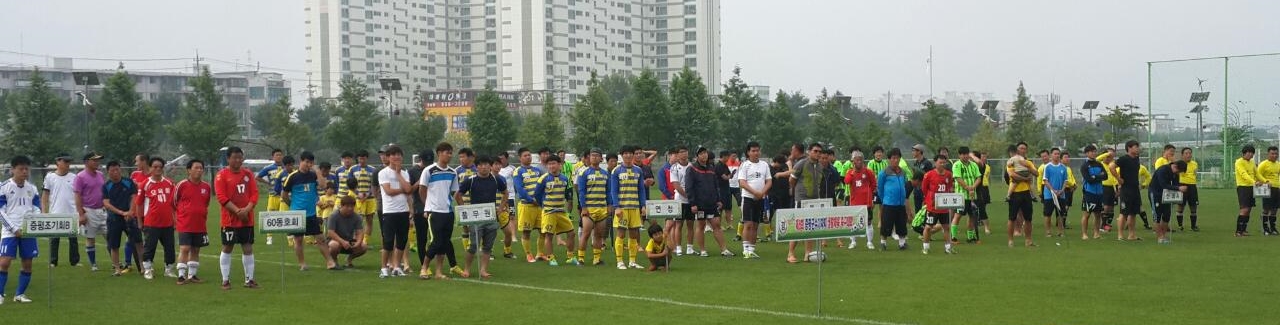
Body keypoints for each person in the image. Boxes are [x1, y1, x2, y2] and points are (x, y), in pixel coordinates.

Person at [216, 147, 260, 290]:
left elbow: (254, 194)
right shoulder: (221, 175)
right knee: (228, 247)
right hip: (229, 219)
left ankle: (249, 279)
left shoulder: (248, 174)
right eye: (235, 157)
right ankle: (225, 280)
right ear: (228, 159)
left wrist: (246, 210)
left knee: (247, 246)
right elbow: (221, 197)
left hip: (247, 218)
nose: (238, 160)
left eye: (240, 157)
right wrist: (237, 211)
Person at [455, 155, 506, 278]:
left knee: (488, 246)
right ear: (477, 167)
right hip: (476, 218)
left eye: (486, 164)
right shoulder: (471, 180)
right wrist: (465, 209)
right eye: (481, 165)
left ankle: (483, 270)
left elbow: (505, 193)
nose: (484, 167)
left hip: (491, 217)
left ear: (490, 166)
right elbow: (458, 194)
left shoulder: (495, 179)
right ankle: (466, 269)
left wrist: (500, 208)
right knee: (473, 245)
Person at [0, 156, 40, 303]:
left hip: (28, 231)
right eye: (21, 169)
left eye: (26, 169)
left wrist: (33, 224)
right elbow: (1, 211)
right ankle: (0, 294)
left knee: (28, 263)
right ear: (13, 170)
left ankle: (19, 294)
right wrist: (14, 228)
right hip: (10, 230)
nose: (24, 172)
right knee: (4, 262)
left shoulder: (32, 188)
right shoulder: (4, 187)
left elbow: (36, 208)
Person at [418, 143, 460, 279]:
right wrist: (427, 207)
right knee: (436, 241)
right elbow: (422, 190)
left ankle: (439, 272)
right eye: (447, 152)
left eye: (450, 152)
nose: (449, 155)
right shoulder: (429, 170)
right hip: (434, 212)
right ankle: (424, 268)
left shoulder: (452, 172)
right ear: (439, 153)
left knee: (444, 242)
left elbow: (454, 192)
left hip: (448, 212)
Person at [282, 152, 327, 271]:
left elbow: (323, 186)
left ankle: (330, 262)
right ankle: (302, 263)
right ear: (301, 161)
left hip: (311, 213)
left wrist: (317, 171)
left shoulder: (313, 175)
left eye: (310, 162)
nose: (308, 164)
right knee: (298, 240)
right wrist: (292, 205)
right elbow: (284, 195)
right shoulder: (293, 176)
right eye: (306, 162)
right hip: (297, 213)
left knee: (320, 238)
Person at [686, 148, 732, 257]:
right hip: (700, 203)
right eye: (701, 154)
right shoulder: (692, 169)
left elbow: (716, 185)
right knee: (701, 225)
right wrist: (693, 203)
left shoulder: (711, 168)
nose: (704, 155)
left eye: (705, 153)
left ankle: (724, 249)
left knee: (716, 224)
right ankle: (702, 250)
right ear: (697, 156)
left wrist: (719, 199)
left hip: (712, 203)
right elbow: (689, 187)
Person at [135, 157, 176, 280]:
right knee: (149, 247)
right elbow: (139, 204)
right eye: (155, 167)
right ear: (150, 168)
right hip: (151, 223)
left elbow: (174, 203)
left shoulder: (169, 183)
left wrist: (175, 219)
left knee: (169, 247)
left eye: (160, 167)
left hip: (167, 223)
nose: (158, 169)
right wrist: (139, 221)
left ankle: (169, 269)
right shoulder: (145, 184)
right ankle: (148, 269)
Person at [534, 155, 578, 266]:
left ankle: (570, 256)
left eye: (554, 163)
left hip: (561, 211)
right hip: (549, 212)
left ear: (559, 165)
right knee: (549, 235)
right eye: (549, 164)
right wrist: (543, 205)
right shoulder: (543, 178)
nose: (551, 166)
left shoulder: (564, 178)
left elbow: (567, 193)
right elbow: (537, 194)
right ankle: (551, 258)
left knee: (572, 233)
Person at [173, 159, 211, 284]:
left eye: (201, 168)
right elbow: (173, 203)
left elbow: (206, 203)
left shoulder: (206, 187)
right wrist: (178, 218)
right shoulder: (182, 185)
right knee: (184, 248)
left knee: (196, 249)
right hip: (185, 223)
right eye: (196, 168)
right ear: (189, 170)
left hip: (200, 224)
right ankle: (181, 275)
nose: (199, 170)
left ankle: (192, 275)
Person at [102, 161, 142, 276]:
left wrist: (130, 211)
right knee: (114, 245)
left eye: (117, 169)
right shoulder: (106, 186)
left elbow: (134, 197)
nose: (116, 172)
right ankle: (117, 269)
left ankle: (143, 267)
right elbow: (106, 203)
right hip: (114, 219)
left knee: (138, 242)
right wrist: (121, 212)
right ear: (108, 172)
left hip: (129, 217)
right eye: (113, 170)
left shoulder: (128, 182)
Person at [610, 146, 648, 270]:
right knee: (620, 233)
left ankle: (632, 261)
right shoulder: (616, 171)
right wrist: (617, 207)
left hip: (634, 207)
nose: (628, 156)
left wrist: (643, 205)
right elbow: (614, 191)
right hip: (622, 208)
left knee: (633, 234)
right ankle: (619, 261)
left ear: (633, 155)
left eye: (630, 153)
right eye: (625, 153)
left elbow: (641, 189)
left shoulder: (638, 170)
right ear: (622, 155)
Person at [787, 143, 825, 263]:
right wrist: (797, 193)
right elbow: (791, 180)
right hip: (801, 200)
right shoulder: (801, 163)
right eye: (815, 151)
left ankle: (808, 253)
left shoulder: (820, 166)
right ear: (809, 151)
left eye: (820, 151)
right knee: (798, 226)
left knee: (811, 227)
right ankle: (790, 253)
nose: (818, 153)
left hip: (815, 201)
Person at [43, 154, 81, 269]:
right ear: (58, 162)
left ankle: (74, 261)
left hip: (71, 212)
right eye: (65, 162)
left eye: (69, 162)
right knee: (54, 239)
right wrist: (44, 211)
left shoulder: (74, 177)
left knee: (73, 239)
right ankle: (53, 261)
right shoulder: (50, 177)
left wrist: (80, 211)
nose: (68, 164)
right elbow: (45, 195)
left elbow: (78, 195)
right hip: (55, 211)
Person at [74, 152, 110, 271]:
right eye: (94, 160)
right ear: (87, 162)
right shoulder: (80, 177)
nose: (97, 162)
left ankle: (115, 262)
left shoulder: (100, 174)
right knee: (90, 238)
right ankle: (93, 264)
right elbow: (77, 196)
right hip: (89, 210)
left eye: (98, 160)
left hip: (102, 210)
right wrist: (81, 214)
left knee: (110, 236)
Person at [736, 142, 772, 259]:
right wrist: (755, 192)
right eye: (753, 151)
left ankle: (752, 249)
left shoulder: (764, 165)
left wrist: (761, 193)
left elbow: (769, 181)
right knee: (748, 223)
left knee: (756, 224)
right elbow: (742, 182)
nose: (756, 153)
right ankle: (745, 249)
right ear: (748, 152)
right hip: (748, 198)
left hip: (760, 198)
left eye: (757, 150)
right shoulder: (745, 165)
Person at [576, 149, 611, 265]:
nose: (594, 157)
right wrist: (584, 207)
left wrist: (609, 205)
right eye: (592, 156)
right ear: (589, 158)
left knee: (599, 235)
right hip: (589, 209)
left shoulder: (605, 174)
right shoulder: (583, 173)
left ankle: (597, 259)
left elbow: (608, 191)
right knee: (585, 234)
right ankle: (580, 259)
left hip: (601, 208)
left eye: (597, 156)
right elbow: (581, 191)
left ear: (601, 159)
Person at [513, 148, 546, 262]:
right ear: (520, 158)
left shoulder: (537, 170)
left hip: (538, 206)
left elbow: (542, 186)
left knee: (543, 230)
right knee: (526, 231)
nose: (528, 157)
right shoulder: (518, 171)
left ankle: (540, 253)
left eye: (529, 155)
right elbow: (520, 189)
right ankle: (528, 254)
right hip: (526, 206)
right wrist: (531, 200)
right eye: (525, 155)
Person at [920, 155, 957, 254]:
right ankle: (926, 247)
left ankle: (948, 248)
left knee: (946, 227)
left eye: (944, 163)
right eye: (940, 162)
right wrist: (929, 200)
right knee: (928, 227)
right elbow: (924, 189)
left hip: (944, 207)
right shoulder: (929, 175)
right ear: (935, 163)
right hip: (932, 207)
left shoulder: (949, 174)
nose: (942, 164)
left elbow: (949, 188)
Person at [877, 149, 912, 250]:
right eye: (893, 158)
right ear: (889, 159)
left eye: (897, 158)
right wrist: (884, 199)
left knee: (901, 224)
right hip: (889, 203)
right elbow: (880, 188)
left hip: (900, 203)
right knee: (886, 224)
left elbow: (904, 185)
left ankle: (902, 243)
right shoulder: (883, 173)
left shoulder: (902, 172)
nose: (896, 160)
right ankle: (883, 243)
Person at [1006, 143, 1037, 247]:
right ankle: (1010, 240)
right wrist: (1025, 178)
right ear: (1017, 150)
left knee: (1028, 218)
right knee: (1012, 218)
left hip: (1026, 193)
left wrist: (1028, 166)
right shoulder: (1012, 162)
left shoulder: (1028, 162)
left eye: (1024, 149)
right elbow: (1012, 175)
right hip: (1015, 194)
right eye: (1020, 148)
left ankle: (1028, 240)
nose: (1022, 150)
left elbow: (1036, 173)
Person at [844, 149, 876, 250]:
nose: (858, 162)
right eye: (856, 160)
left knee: (869, 222)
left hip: (866, 203)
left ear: (863, 161)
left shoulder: (868, 172)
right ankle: (853, 241)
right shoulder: (850, 172)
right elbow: (846, 181)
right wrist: (852, 172)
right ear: (853, 161)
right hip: (854, 203)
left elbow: (873, 184)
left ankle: (869, 242)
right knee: (854, 222)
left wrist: (871, 198)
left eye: (860, 160)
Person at [1149, 161, 1187, 244]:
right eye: (1178, 171)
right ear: (1175, 166)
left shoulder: (1175, 173)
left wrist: (1179, 189)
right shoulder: (1162, 170)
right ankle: (1160, 237)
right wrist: (1179, 188)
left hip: (1166, 195)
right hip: (1156, 194)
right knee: (1157, 216)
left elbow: (1176, 184)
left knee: (1167, 215)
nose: (1178, 173)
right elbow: (1164, 185)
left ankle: (1163, 236)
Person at [1112, 141, 1144, 241]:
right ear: (1129, 148)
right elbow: (1111, 167)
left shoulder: (1136, 159)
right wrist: (1118, 179)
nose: (1138, 148)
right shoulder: (1124, 159)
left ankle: (1132, 234)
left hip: (1135, 188)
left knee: (1133, 213)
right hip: (1126, 189)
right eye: (1136, 147)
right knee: (1124, 212)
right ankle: (1120, 234)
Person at [347, 150, 379, 247]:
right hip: (358, 199)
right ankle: (355, 240)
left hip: (370, 198)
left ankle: (365, 241)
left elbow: (374, 184)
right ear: (357, 159)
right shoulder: (352, 169)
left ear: (367, 158)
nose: (362, 160)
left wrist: (368, 194)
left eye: (363, 158)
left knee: (369, 220)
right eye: (360, 158)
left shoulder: (373, 170)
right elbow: (350, 183)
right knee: (357, 220)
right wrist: (358, 193)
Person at [325, 196, 367, 269]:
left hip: (349, 241)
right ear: (342, 206)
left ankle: (349, 259)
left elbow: (359, 232)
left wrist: (358, 243)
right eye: (347, 206)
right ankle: (334, 261)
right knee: (334, 245)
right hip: (334, 241)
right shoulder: (333, 216)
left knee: (363, 246)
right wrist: (342, 242)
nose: (350, 209)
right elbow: (330, 233)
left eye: (352, 206)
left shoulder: (357, 217)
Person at [951, 147, 982, 243]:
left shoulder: (973, 165)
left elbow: (978, 178)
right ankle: (953, 237)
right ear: (959, 155)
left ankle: (970, 237)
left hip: (973, 196)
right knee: (958, 215)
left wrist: (973, 187)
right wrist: (968, 188)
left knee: (972, 216)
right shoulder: (957, 165)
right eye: (962, 154)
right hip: (961, 196)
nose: (965, 156)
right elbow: (958, 178)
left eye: (966, 154)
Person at [256, 149, 285, 246]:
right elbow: (258, 177)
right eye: (277, 155)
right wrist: (267, 183)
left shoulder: (286, 167)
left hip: (284, 196)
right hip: (273, 195)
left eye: (280, 155)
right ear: (273, 157)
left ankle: (290, 237)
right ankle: (269, 237)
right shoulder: (268, 168)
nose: (279, 157)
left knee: (285, 215)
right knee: (270, 216)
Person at [666, 146, 691, 256]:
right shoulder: (674, 168)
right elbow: (676, 184)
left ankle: (690, 247)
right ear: (678, 154)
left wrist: (692, 197)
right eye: (681, 152)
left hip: (691, 199)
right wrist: (687, 195)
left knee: (690, 224)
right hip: (679, 199)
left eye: (685, 151)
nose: (684, 154)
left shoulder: (692, 166)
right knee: (678, 224)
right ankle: (679, 247)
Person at [1079, 145, 1108, 240]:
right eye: (1092, 151)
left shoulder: (1099, 164)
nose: (1094, 153)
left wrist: (1095, 176)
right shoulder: (1084, 165)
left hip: (1099, 192)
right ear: (1087, 153)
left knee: (1098, 214)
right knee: (1087, 214)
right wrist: (1098, 176)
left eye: (1095, 151)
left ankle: (1096, 233)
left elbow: (1105, 176)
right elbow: (1088, 179)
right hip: (1089, 192)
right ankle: (1084, 234)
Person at [1041, 149, 1070, 238]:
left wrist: (1061, 190)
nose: (1057, 155)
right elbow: (1045, 180)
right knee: (1048, 214)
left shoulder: (1063, 168)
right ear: (1051, 155)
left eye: (1058, 154)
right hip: (1049, 195)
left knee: (1061, 214)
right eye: (1055, 154)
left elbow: (1065, 181)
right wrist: (1053, 190)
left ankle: (1060, 231)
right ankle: (1048, 231)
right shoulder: (1048, 167)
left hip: (1061, 194)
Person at [454, 148, 478, 255]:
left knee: (477, 227)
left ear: (470, 157)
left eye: (463, 156)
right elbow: (454, 189)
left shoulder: (477, 169)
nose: (461, 159)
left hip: (476, 203)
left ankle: (478, 248)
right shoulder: (457, 171)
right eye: (460, 157)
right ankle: (467, 249)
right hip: (462, 203)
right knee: (465, 227)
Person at [495, 152, 517, 258]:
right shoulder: (484, 178)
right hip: (489, 210)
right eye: (495, 164)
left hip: (502, 208)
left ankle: (507, 251)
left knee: (508, 232)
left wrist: (503, 206)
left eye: (499, 164)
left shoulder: (501, 178)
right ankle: (488, 252)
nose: (498, 166)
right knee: (489, 233)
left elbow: (506, 194)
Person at [766, 155, 791, 243]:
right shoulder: (769, 169)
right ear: (776, 162)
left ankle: (784, 232)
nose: (781, 166)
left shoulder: (784, 167)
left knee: (785, 214)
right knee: (770, 214)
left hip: (784, 194)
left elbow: (789, 174)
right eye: (780, 164)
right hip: (773, 195)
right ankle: (768, 233)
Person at [1177, 147, 1200, 232]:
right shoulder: (1179, 164)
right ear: (1182, 155)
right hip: (1182, 185)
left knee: (1193, 206)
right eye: (1186, 153)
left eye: (1190, 153)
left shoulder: (1194, 164)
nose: (1188, 155)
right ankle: (1180, 226)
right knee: (1180, 206)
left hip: (1192, 186)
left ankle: (1193, 226)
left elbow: (1195, 174)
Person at [1257, 146, 1280, 236]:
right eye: (1272, 154)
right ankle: (1265, 229)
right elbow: (1257, 175)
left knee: (1275, 209)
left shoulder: (1278, 164)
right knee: (1266, 209)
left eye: (1276, 154)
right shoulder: (1263, 164)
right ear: (1268, 154)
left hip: (1277, 188)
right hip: (1267, 188)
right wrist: (1264, 182)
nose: (1274, 155)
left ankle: (1273, 228)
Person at [974, 151, 993, 235]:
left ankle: (986, 227)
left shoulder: (983, 166)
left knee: (982, 207)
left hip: (981, 188)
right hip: (970, 190)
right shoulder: (970, 166)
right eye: (983, 156)